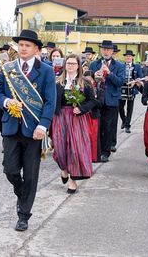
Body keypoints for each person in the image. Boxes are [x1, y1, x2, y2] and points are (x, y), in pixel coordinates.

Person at [0, 29, 56, 231]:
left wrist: (43, 125)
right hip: (11, 128)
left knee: (30, 175)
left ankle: (23, 215)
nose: (23, 48)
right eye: (20, 45)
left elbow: (50, 101)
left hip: (34, 131)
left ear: (36, 49)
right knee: (10, 170)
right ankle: (22, 194)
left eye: (27, 45)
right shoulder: (8, 68)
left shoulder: (45, 70)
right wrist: (6, 101)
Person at [51, 54, 96, 193]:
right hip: (61, 118)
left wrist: (81, 109)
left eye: (73, 64)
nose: (70, 66)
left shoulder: (84, 82)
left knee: (75, 150)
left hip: (77, 119)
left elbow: (92, 101)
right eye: (68, 63)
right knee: (59, 149)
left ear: (78, 66)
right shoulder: (58, 81)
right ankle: (64, 169)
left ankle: (72, 181)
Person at [89, 40, 125, 162]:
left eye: (108, 50)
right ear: (101, 50)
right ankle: (96, 150)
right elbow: (87, 80)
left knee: (108, 127)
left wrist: (109, 73)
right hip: (96, 99)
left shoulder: (119, 66)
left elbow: (120, 82)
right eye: (104, 49)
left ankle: (105, 152)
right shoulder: (94, 64)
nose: (106, 52)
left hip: (111, 99)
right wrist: (95, 77)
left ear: (112, 51)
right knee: (96, 126)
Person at [118, 50, 143, 133]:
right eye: (127, 56)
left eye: (129, 56)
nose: (128, 57)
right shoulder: (121, 66)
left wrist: (135, 82)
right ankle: (124, 120)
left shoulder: (137, 66)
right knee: (120, 107)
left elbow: (140, 77)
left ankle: (127, 126)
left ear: (132, 57)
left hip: (132, 89)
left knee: (130, 108)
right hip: (122, 88)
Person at [84, 70, 105, 163]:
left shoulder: (99, 89)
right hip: (83, 115)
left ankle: (94, 156)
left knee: (93, 136)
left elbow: (101, 103)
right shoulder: (80, 89)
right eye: (86, 80)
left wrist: (92, 101)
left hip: (94, 115)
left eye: (90, 80)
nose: (88, 83)